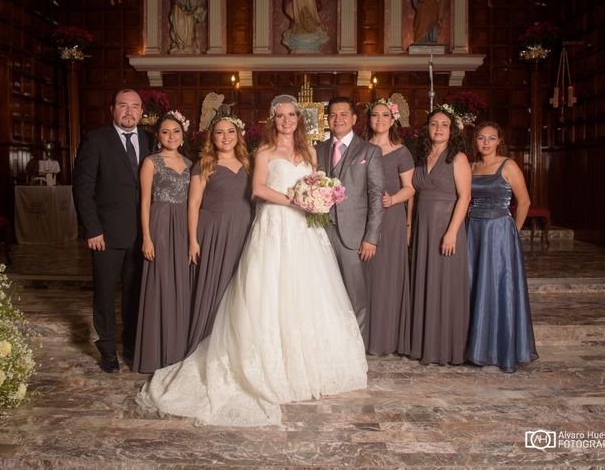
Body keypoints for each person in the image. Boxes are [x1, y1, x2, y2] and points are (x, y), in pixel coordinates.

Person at [137, 95, 367, 426]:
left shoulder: (309, 152)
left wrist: (318, 198)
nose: (286, 120)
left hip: (305, 233)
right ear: (272, 120)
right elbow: (257, 189)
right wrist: (294, 200)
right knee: (269, 291)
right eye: (280, 115)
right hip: (275, 225)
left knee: (305, 293)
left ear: (299, 119)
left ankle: (310, 363)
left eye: (291, 115)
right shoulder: (263, 153)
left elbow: (315, 184)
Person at [73, 89, 152, 373]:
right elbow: (83, 189)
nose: (129, 112)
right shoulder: (95, 140)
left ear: (142, 111)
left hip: (141, 235)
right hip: (105, 235)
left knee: (135, 294)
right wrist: (92, 229)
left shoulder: (149, 139)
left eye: (134, 107)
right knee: (105, 294)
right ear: (112, 109)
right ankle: (107, 348)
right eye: (123, 106)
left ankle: (131, 344)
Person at [466, 121, 538, 372]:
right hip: (473, 230)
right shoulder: (471, 166)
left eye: (491, 138)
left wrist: (512, 232)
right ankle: (476, 349)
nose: (486, 143)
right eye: (481, 138)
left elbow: (525, 201)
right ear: (475, 141)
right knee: (475, 287)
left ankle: (500, 350)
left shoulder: (509, 166)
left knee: (498, 289)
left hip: (499, 232)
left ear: (499, 141)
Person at [315, 96, 385, 348]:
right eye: (333, 115)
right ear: (327, 119)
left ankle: (356, 351)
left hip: (354, 236)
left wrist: (371, 237)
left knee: (355, 295)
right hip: (320, 232)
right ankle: (329, 347)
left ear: (354, 119)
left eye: (344, 114)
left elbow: (376, 197)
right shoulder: (317, 149)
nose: (338, 119)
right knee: (324, 292)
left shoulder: (369, 151)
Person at [186, 116, 253, 356]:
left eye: (230, 132)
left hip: (244, 231)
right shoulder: (203, 164)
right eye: (220, 132)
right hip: (214, 232)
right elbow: (193, 204)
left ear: (238, 136)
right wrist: (193, 240)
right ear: (211, 138)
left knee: (240, 287)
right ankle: (207, 342)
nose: (226, 137)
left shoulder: (248, 163)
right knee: (215, 286)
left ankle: (235, 345)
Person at [410, 105, 471, 365]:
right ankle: (426, 345)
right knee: (425, 282)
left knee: (445, 286)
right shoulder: (422, 156)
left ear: (452, 130)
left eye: (444, 124)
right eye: (434, 123)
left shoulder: (457, 158)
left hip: (447, 228)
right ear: (428, 128)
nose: (438, 128)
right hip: (423, 229)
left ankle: (446, 348)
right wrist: (409, 227)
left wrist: (452, 232)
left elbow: (465, 197)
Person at [132, 111, 193, 374]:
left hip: (183, 223)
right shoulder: (151, 162)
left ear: (183, 135)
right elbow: (144, 202)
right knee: (161, 283)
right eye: (166, 131)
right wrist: (147, 237)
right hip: (160, 222)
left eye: (176, 131)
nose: (171, 136)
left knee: (182, 282)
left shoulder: (191, 163)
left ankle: (178, 349)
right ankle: (156, 351)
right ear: (158, 135)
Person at [362, 99, 415, 356]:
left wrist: (393, 199)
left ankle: (387, 338)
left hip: (391, 219)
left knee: (387, 278)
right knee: (365, 277)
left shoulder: (401, 152)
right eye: (375, 115)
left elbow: (410, 188)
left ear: (393, 120)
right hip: (363, 219)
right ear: (369, 119)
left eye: (385, 115)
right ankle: (364, 336)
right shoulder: (360, 149)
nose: (380, 120)